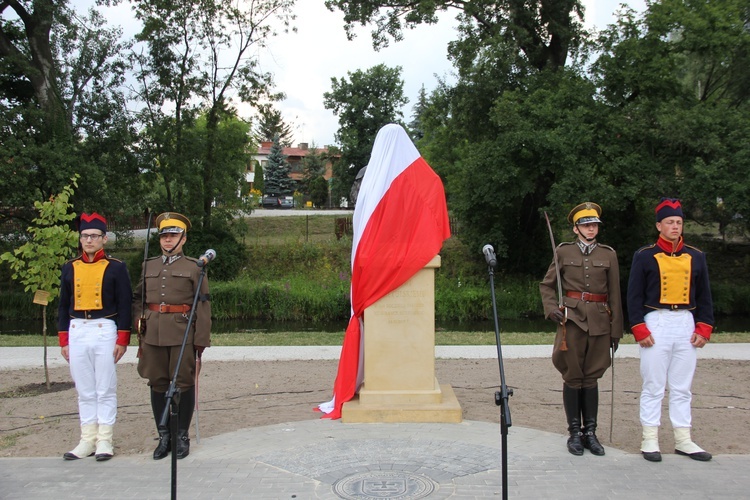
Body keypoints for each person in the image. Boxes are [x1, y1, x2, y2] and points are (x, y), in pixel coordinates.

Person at [627, 198, 714, 462]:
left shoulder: (696, 256)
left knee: (682, 386)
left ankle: (683, 439)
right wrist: (639, 327)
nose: (675, 226)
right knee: (653, 385)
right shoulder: (645, 256)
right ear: (659, 225)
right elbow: (633, 295)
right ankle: (650, 438)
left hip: (685, 320)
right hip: (657, 320)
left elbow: (705, 295)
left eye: (678, 222)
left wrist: (704, 326)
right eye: (670, 222)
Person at [540, 202, 623, 456]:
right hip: (572, 321)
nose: (591, 229)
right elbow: (547, 285)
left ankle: (591, 433)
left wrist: (616, 330)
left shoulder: (608, 255)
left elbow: (615, 295)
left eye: (594, 225)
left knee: (592, 377)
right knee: (573, 376)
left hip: (600, 321)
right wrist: (552, 308)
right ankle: (574, 432)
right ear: (576, 228)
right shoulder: (563, 252)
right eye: (586, 225)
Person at [132, 212, 211, 460]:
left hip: (182, 332)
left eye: (173, 235)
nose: (168, 240)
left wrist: (201, 339)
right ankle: (164, 434)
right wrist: (139, 318)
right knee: (157, 382)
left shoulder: (194, 267)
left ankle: (181, 436)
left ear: (183, 239)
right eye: (164, 236)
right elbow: (138, 298)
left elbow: (203, 304)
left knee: (183, 383)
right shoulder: (149, 265)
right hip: (152, 333)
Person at [58, 212, 132, 461]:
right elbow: (62, 305)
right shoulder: (69, 268)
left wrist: (123, 338)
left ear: (104, 239)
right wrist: (64, 339)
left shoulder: (116, 267)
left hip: (104, 329)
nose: (89, 240)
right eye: (85, 236)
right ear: (80, 239)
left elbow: (125, 304)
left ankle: (105, 440)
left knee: (105, 388)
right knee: (84, 389)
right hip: (78, 328)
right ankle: (87, 439)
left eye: (94, 236)